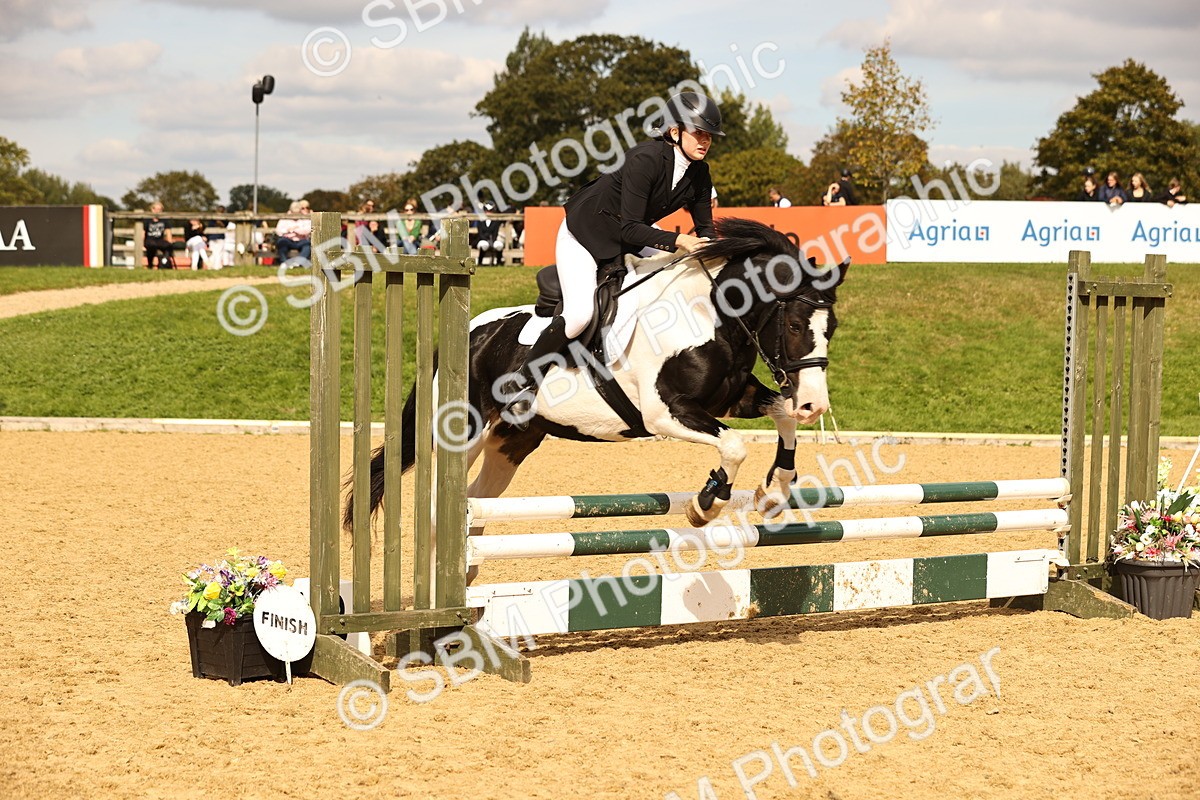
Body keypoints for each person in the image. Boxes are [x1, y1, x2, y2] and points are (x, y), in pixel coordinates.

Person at [503, 90, 721, 422]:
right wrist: (680, 241)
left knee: (675, 275)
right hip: (585, 233)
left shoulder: (700, 174)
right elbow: (631, 229)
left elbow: (706, 230)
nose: (705, 141)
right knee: (578, 314)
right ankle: (523, 385)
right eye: (698, 132)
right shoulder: (645, 159)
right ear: (675, 131)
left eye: (709, 136)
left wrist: (715, 254)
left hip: (628, 235)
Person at [275, 200, 312, 266]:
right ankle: (284, 263)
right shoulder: (285, 217)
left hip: (301, 241)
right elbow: (278, 231)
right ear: (291, 211)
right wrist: (289, 230)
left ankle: (298, 263)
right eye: (294, 213)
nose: (295, 215)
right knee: (281, 242)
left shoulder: (305, 217)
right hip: (288, 240)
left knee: (308, 245)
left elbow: (307, 229)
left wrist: (294, 230)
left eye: (297, 213)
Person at [472, 201, 505, 265]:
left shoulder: (495, 221)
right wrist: (486, 239)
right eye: (487, 211)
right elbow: (480, 233)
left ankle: (498, 262)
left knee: (499, 245)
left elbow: (495, 233)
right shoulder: (481, 221)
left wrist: (492, 241)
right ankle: (480, 262)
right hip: (482, 239)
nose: (488, 213)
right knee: (484, 244)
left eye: (490, 211)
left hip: (492, 240)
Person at [143, 202, 174, 269]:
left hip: (159, 240)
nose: (157, 211)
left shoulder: (164, 219)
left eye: (159, 209)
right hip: (149, 240)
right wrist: (142, 244)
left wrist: (170, 242)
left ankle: (164, 263)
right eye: (155, 209)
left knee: (168, 246)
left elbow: (168, 232)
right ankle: (150, 265)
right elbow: (143, 232)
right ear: (152, 209)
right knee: (151, 246)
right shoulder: (147, 220)